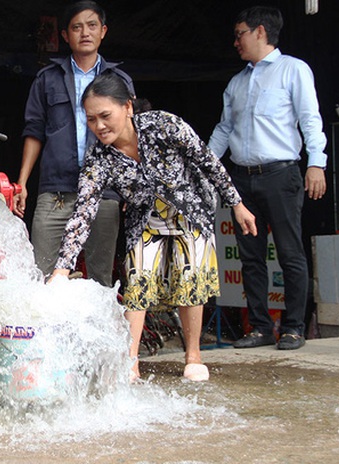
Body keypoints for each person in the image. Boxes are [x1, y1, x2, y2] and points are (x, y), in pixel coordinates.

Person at [51, 73, 258, 382]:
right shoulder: (98, 157)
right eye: (91, 119)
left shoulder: (164, 126)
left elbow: (207, 161)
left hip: (190, 209)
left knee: (190, 275)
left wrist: (237, 204)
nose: (99, 126)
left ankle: (193, 357)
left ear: (128, 108)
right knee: (138, 276)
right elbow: (84, 211)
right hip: (145, 219)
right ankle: (130, 362)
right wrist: (62, 269)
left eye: (105, 115)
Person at [208, 6, 327, 351]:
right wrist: (203, 165)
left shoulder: (293, 70)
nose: (236, 42)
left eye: (240, 33)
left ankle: (293, 327)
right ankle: (260, 327)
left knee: (290, 253)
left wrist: (316, 163)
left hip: (281, 174)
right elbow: (224, 130)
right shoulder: (237, 82)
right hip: (241, 179)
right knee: (250, 257)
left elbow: (310, 119)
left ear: (260, 32)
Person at [13, 1, 134, 286]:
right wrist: (22, 183)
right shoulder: (47, 79)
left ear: (103, 31)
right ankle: (45, 331)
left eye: (92, 25)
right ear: (65, 35)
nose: (85, 33)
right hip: (56, 189)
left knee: (101, 276)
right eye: (77, 27)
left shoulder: (118, 81)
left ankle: (95, 331)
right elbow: (34, 131)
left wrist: (130, 186)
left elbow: (129, 135)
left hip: (105, 191)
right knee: (41, 272)